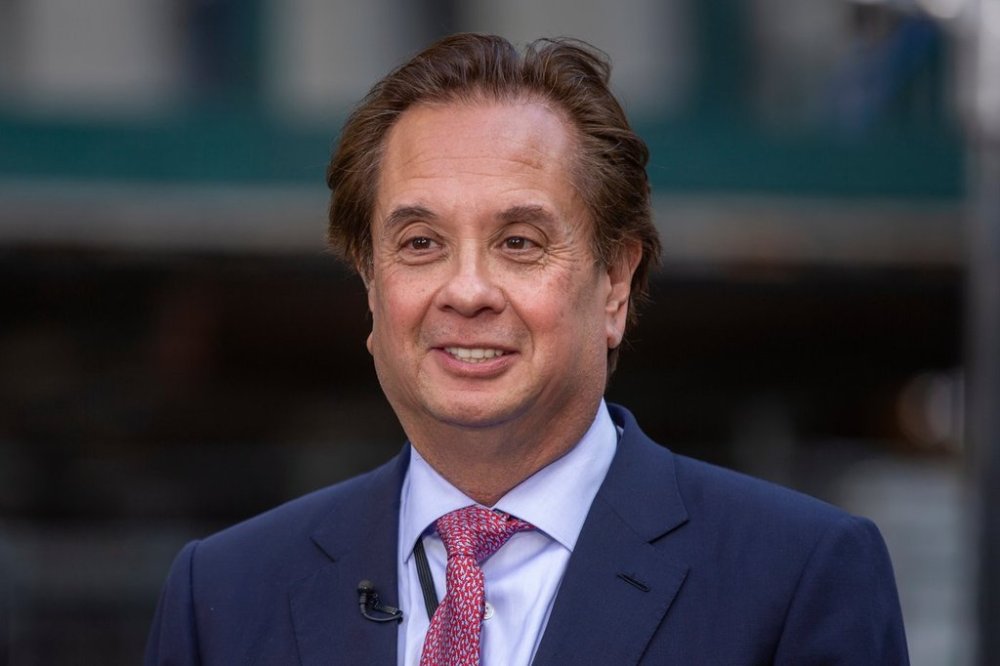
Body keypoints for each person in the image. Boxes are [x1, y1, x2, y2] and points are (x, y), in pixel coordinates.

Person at [145, 33, 909, 665]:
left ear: (615, 283)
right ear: (371, 286)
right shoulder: (225, 595)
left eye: (519, 242)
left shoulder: (797, 577)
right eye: (420, 243)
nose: (467, 291)